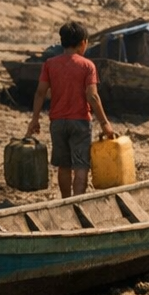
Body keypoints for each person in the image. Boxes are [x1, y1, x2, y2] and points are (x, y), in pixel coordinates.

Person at [26, 20, 115, 197]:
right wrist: (105, 123)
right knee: (81, 165)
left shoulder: (50, 64)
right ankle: (77, 203)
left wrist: (34, 120)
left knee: (64, 165)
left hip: (57, 122)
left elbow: (40, 93)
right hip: (80, 122)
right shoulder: (87, 66)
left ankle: (65, 201)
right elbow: (92, 96)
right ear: (83, 43)